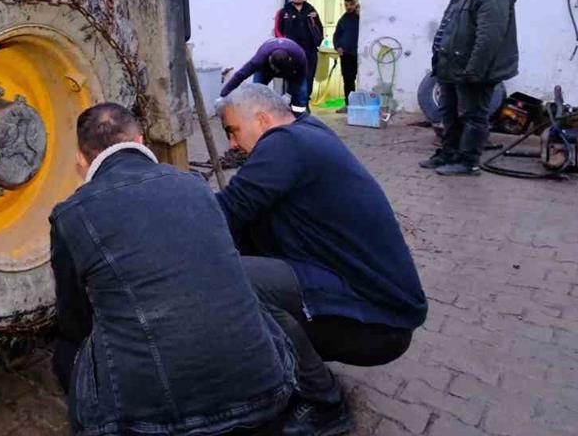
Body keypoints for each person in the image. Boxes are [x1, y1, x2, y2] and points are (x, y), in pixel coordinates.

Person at [51, 103, 295, 436]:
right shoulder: (196, 186)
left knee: (67, 351)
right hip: (268, 394)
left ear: (81, 159)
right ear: (140, 141)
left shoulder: (70, 215)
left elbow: (74, 319)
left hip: (153, 423)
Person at [215, 84, 428, 436]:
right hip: (376, 306)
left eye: (233, 131)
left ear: (262, 119)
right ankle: (286, 370)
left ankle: (324, 403)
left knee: (237, 283)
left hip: (379, 322)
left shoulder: (285, 144)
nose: (232, 144)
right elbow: (243, 214)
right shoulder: (308, 131)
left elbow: (226, 210)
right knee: (248, 247)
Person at [422, 0, 519, 176]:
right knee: (449, 113)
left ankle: (468, 162)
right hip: (451, 69)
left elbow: (489, 38)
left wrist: (474, 72)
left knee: (473, 116)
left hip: (473, 71)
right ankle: (449, 153)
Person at [220, 37, 311, 110]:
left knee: (301, 94)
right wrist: (223, 95)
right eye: (276, 70)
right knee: (256, 93)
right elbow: (240, 75)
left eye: (279, 71)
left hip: (291, 71)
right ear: (269, 60)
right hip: (266, 70)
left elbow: (301, 76)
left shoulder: (299, 56)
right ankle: (257, 117)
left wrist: (289, 94)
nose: (277, 73)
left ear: (290, 60)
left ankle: (300, 118)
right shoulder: (259, 59)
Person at [274, 0, 324, 99]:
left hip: (309, 51)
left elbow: (319, 28)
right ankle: (292, 102)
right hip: (291, 51)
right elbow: (277, 30)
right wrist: (283, 45)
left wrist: (318, 41)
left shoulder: (311, 11)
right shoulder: (283, 12)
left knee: (309, 77)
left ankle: (305, 102)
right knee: (292, 76)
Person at [333, 0, 360, 113]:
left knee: (361, 79)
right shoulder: (343, 19)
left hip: (360, 54)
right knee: (348, 80)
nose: (348, 7)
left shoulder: (361, 18)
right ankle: (349, 104)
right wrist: (337, 46)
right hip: (346, 54)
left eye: (351, 5)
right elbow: (337, 35)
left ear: (356, 4)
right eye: (346, 5)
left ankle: (361, 105)